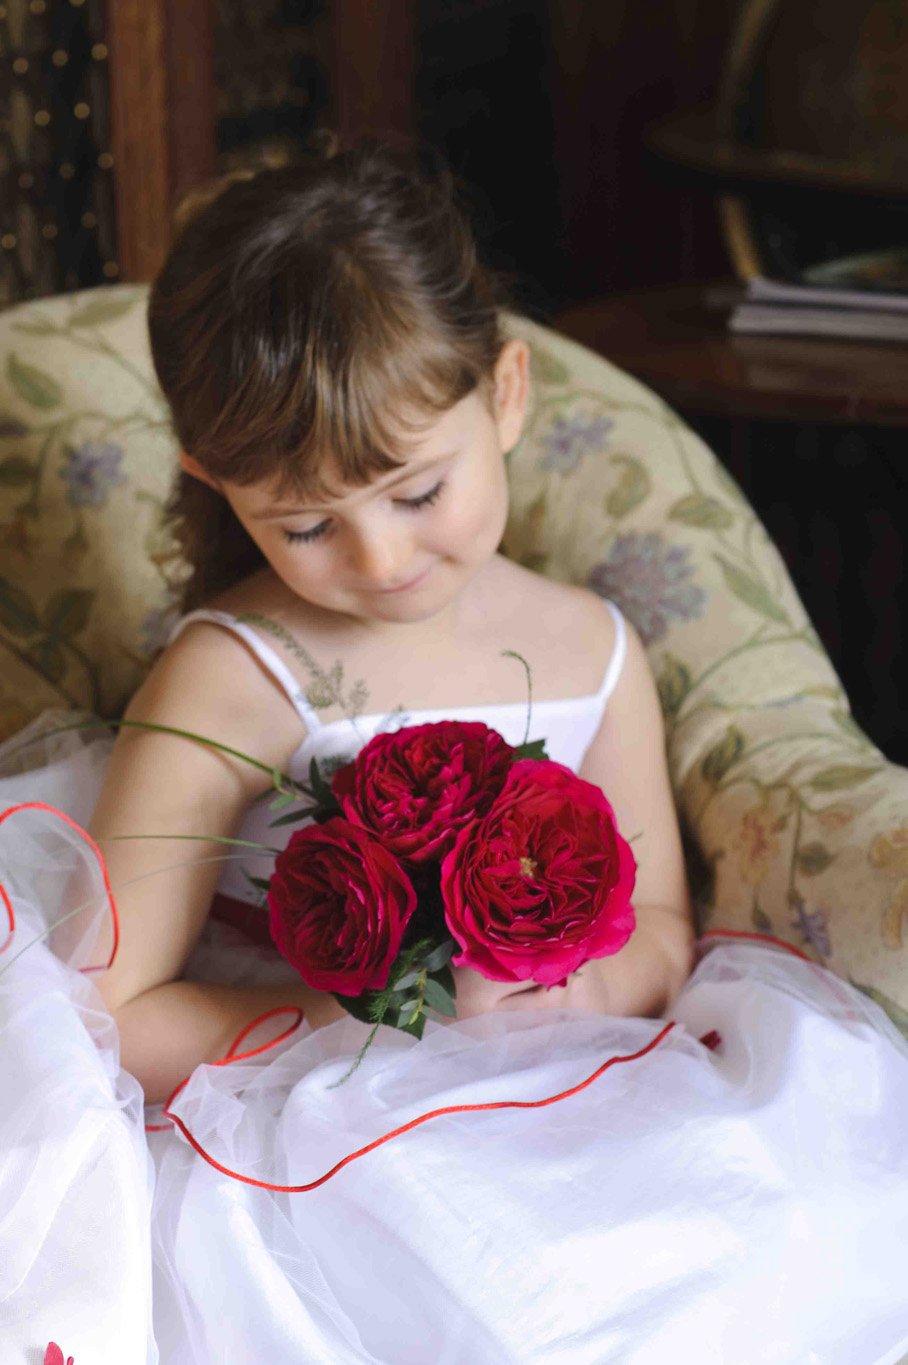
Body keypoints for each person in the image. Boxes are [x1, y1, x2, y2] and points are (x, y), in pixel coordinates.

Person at [1, 137, 907, 1364]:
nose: (378, 561)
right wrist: (367, 1015)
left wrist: (553, 992)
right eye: (307, 523)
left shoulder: (589, 647)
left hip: (577, 1077)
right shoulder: (229, 679)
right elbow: (109, 1010)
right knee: (492, 1307)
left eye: (417, 493)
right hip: (318, 1116)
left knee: (780, 1239)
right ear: (215, 483)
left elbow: (657, 932)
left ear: (507, 396)